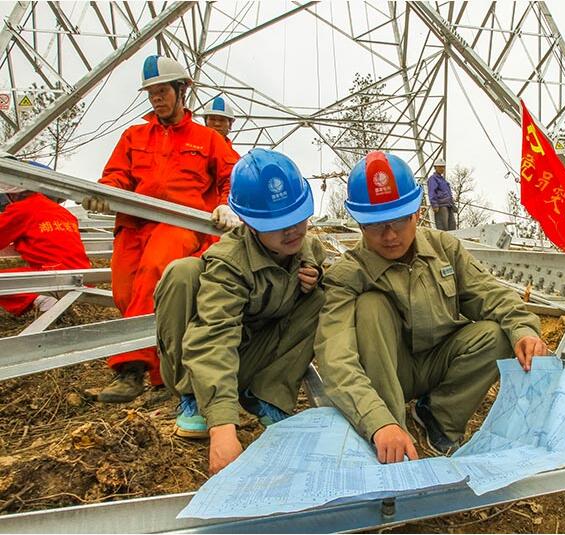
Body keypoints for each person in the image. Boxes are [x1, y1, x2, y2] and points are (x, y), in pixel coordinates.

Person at [315, 150, 548, 464]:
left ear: (418, 212)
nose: (390, 235)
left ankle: (439, 416)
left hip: (440, 363)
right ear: (360, 224)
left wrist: (524, 331)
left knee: (498, 335)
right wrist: (377, 420)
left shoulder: (444, 249)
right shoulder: (347, 275)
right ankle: (393, 426)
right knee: (371, 306)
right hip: (389, 373)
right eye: (376, 225)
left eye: (400, 220)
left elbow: (491, 295)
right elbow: (336, 357)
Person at [154, 148, 325, 475]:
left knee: (321, 297)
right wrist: (222, 426)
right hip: (212, 360)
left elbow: (316, 272)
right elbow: (214, 335)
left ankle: (267, 395)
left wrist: (315, 276)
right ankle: (194, 397)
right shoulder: (229, 262)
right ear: (249, 223)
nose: (292, 231)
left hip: (252, 356)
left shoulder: (308, 248)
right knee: (183, 273)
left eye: (297, 218)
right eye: (277, 224)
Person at [81, 55, 241, 403]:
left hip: (179, 224)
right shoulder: (134, 136)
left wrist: (225, 204)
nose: (157, 98)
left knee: (156, 272)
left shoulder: (207, 139)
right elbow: (117, 175)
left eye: (163, 91)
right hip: (135, 224)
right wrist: (103, 193)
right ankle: (160, 375)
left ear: (181, 90)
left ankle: (131, 369)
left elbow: (233, 177)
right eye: (152, 93)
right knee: (126, 291)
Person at [0, 164, 91, 316]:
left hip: (53, 275)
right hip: (84, 275)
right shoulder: (61, 211)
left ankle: (42, 300)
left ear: (11, 195)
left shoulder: (21, 209)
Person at [427, 157, 457, 231]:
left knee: (452, 226)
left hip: (448, 205)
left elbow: (448, 194)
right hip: (441, 206)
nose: (442, 168)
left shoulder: (444, 181)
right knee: (443, 227)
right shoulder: (433, 179)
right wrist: (434, 205)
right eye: (440, 166)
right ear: (435, 167)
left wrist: (453, 205)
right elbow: (432, 192)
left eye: (443, 167)